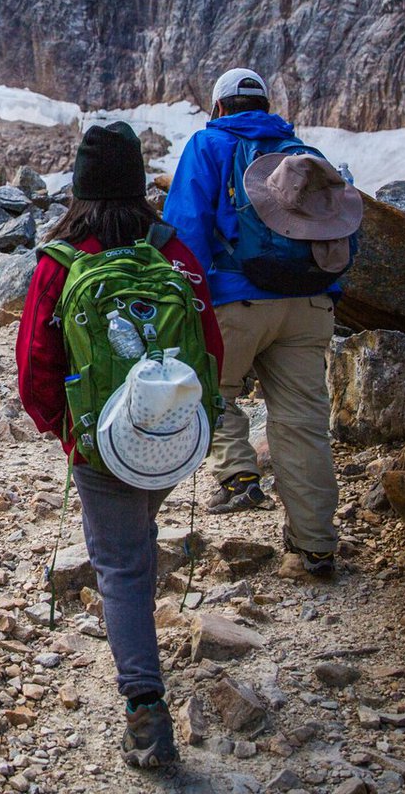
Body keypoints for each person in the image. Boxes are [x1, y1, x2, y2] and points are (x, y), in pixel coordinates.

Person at [17, 121, 224, 770]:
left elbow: (33, 374)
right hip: (173, 436)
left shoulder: (60, 261)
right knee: (137, 534)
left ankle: (145, 711)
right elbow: (210, 350)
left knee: (123, 567)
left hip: (97, 449)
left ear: (78, 188)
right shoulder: (174, 251)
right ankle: (146, 670)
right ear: (139, 184)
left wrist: (71, 432)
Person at [162, 67, 347, 579]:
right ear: (265, 105)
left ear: (219, 107)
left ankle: (238, 477)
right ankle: (314, 548)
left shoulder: (208, 146)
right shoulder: (305, 154)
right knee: (303, 423)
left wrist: (188, 302)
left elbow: (186, 229)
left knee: (210, 392)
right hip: (309, 304)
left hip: (236, 300)